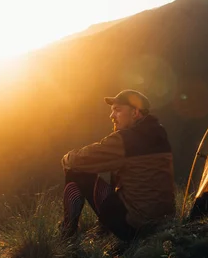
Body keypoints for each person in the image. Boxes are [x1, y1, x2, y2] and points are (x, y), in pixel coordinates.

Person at [60, 89, 175, 240]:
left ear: (135, 113)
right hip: (163, 221)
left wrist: (67, 158)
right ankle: (101, 229)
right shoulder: (159, 134)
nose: (111, 116)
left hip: (134, 227)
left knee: (76, 171)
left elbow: (82, 160)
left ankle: (67, 233)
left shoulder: (125, 140)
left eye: (117, 110)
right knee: (118, 174)